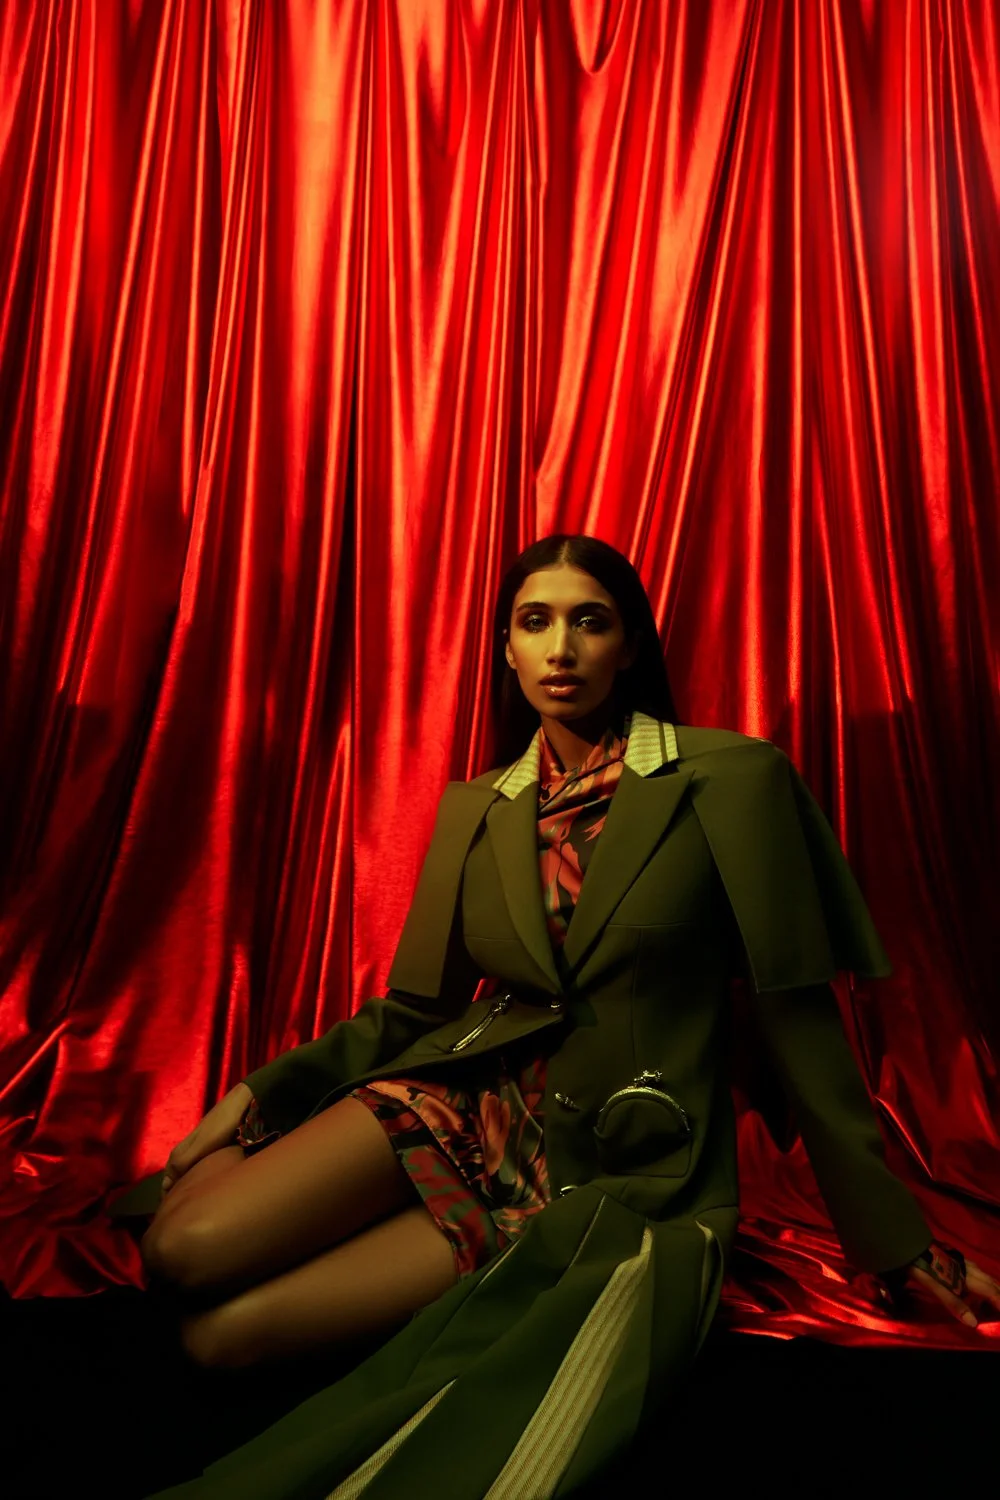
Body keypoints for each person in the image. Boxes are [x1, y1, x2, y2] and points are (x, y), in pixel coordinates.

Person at [143, 534, 999, 1499]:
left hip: (592, 1164)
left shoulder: (734, 781)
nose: (561, 648)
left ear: (628, 645)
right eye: (534, 622)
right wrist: (256, 1096)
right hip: (456, 1096)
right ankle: (241, 1164)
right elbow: (413, 1009)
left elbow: (800, 1019)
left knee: (224, 1341)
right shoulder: (477, 807)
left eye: (589, 621)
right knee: (182, 1248)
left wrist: (891, 1242)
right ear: (506, 650)